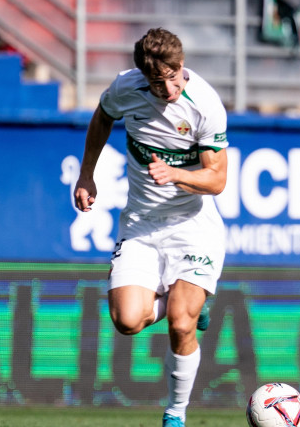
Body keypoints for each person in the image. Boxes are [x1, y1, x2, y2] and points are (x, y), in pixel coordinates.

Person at [73, 27, 228, 427]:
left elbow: (217, 180)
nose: (170, 88)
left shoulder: (205, 104)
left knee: (180, 322)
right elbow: (102, 117)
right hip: (141, 225)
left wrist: (176, 174)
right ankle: (190, 305)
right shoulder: (127, 89)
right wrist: (86, 175)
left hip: (193, 226)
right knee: (127, 321)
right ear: (145, 77)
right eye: (160, 82)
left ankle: (175, 414)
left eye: (175, 76)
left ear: (181, 66)